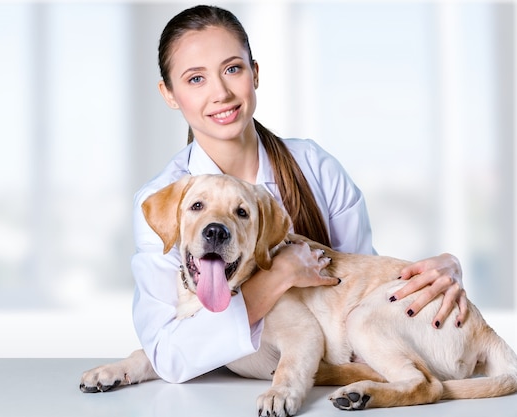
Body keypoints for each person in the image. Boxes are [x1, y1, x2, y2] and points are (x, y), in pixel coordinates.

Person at [131, 4, 467, 384]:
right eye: (195, 79)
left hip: (336, 377)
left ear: (254, 73)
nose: (220, 93)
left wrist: (441, 269)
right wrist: (281, 274)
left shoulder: (315, 166)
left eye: (232, 69)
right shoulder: (163, 198)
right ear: (169, 93)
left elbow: (358, 283)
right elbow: (170, 356)